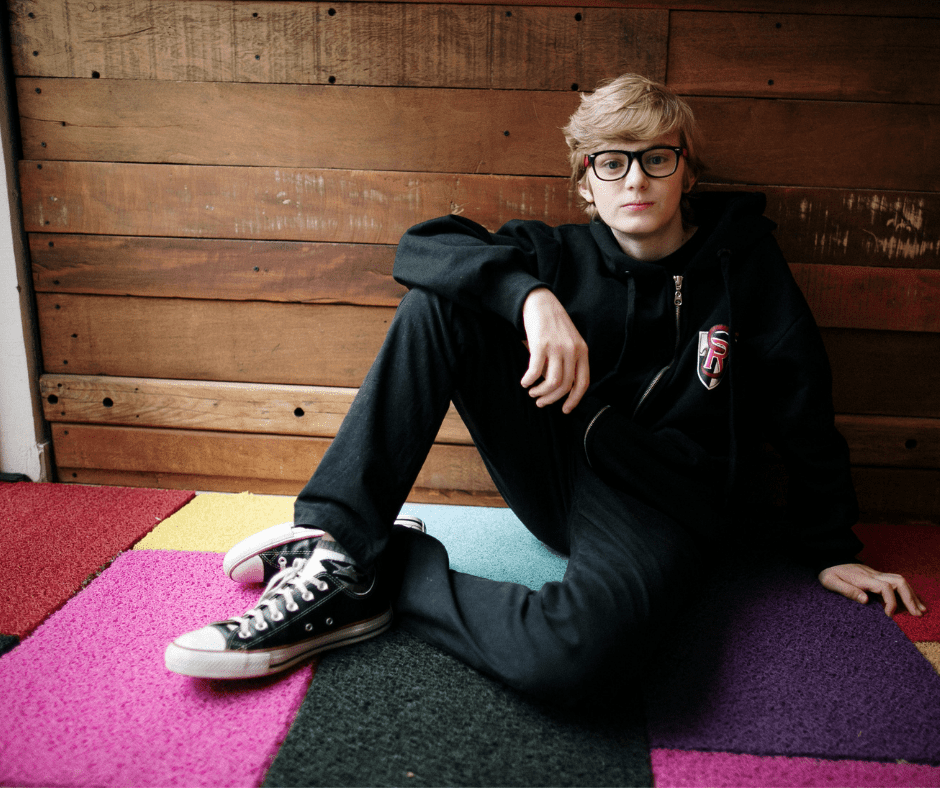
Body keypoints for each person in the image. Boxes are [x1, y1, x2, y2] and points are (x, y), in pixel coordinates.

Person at [165, 74, 925, 703]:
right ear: (586, 183)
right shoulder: (553, 254)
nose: (635, 179)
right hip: (551, 462)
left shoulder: (746, 267)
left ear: (687, 169)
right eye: (611, 162)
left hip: (658, 501)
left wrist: (828, 545)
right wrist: (530, 297)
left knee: (574, 662)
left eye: (656, 158)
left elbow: (803, 400)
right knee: (442, 302)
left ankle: (382, 568)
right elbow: (422, 248)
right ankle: (337, 537)